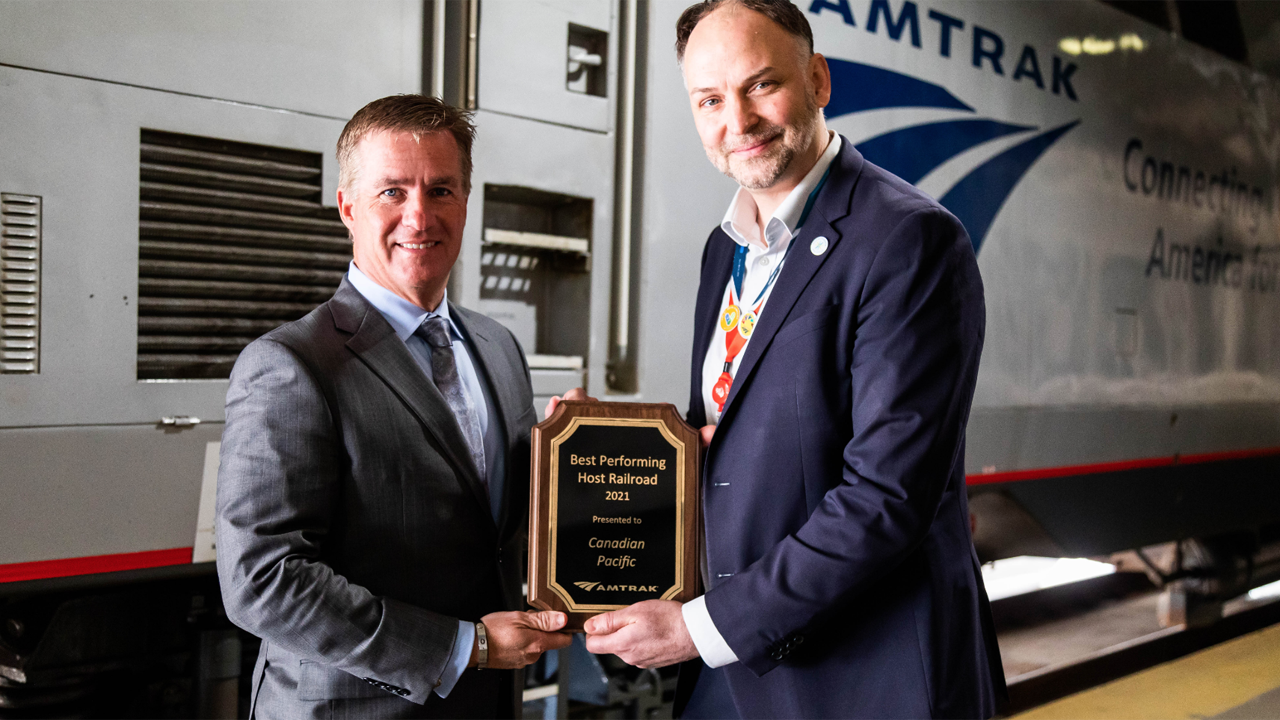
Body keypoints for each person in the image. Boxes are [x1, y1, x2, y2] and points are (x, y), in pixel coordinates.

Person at [574, 1, 1006, 717]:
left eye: (761, 85)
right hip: (740, 671)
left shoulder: (909, 241)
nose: (736, 121)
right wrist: (597, 451)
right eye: (709, 99)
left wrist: (699, 628)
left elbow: (886, 500)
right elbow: (732, 438)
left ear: (818, 80)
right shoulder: (729, 248)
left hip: (864, 679)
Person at [216, 94, 571, 719]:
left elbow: (488, 523)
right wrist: (465, 646)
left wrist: (580, 448)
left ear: (466, 202)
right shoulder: (292, 365)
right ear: (347, 206)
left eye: (441, 191)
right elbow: (262, 580)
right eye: (392, 192)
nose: (419, 216)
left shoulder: (497, 346)